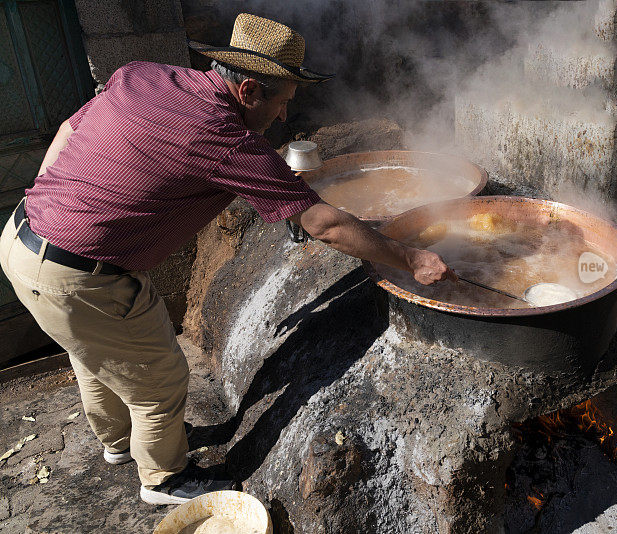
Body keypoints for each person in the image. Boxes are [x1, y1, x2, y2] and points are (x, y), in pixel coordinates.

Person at [0, 13, 453, 506]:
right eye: (281, 103)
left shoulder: (143, 75)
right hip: (81, 275)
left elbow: (70, 127)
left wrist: (47, 198)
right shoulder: (223, 139)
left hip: (22, 239)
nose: (283, 117)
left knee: (96, 353)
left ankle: (119, 445)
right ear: (250, 90)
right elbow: (323, 223)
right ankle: (164, 479)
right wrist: (410, 257)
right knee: (159, 377)